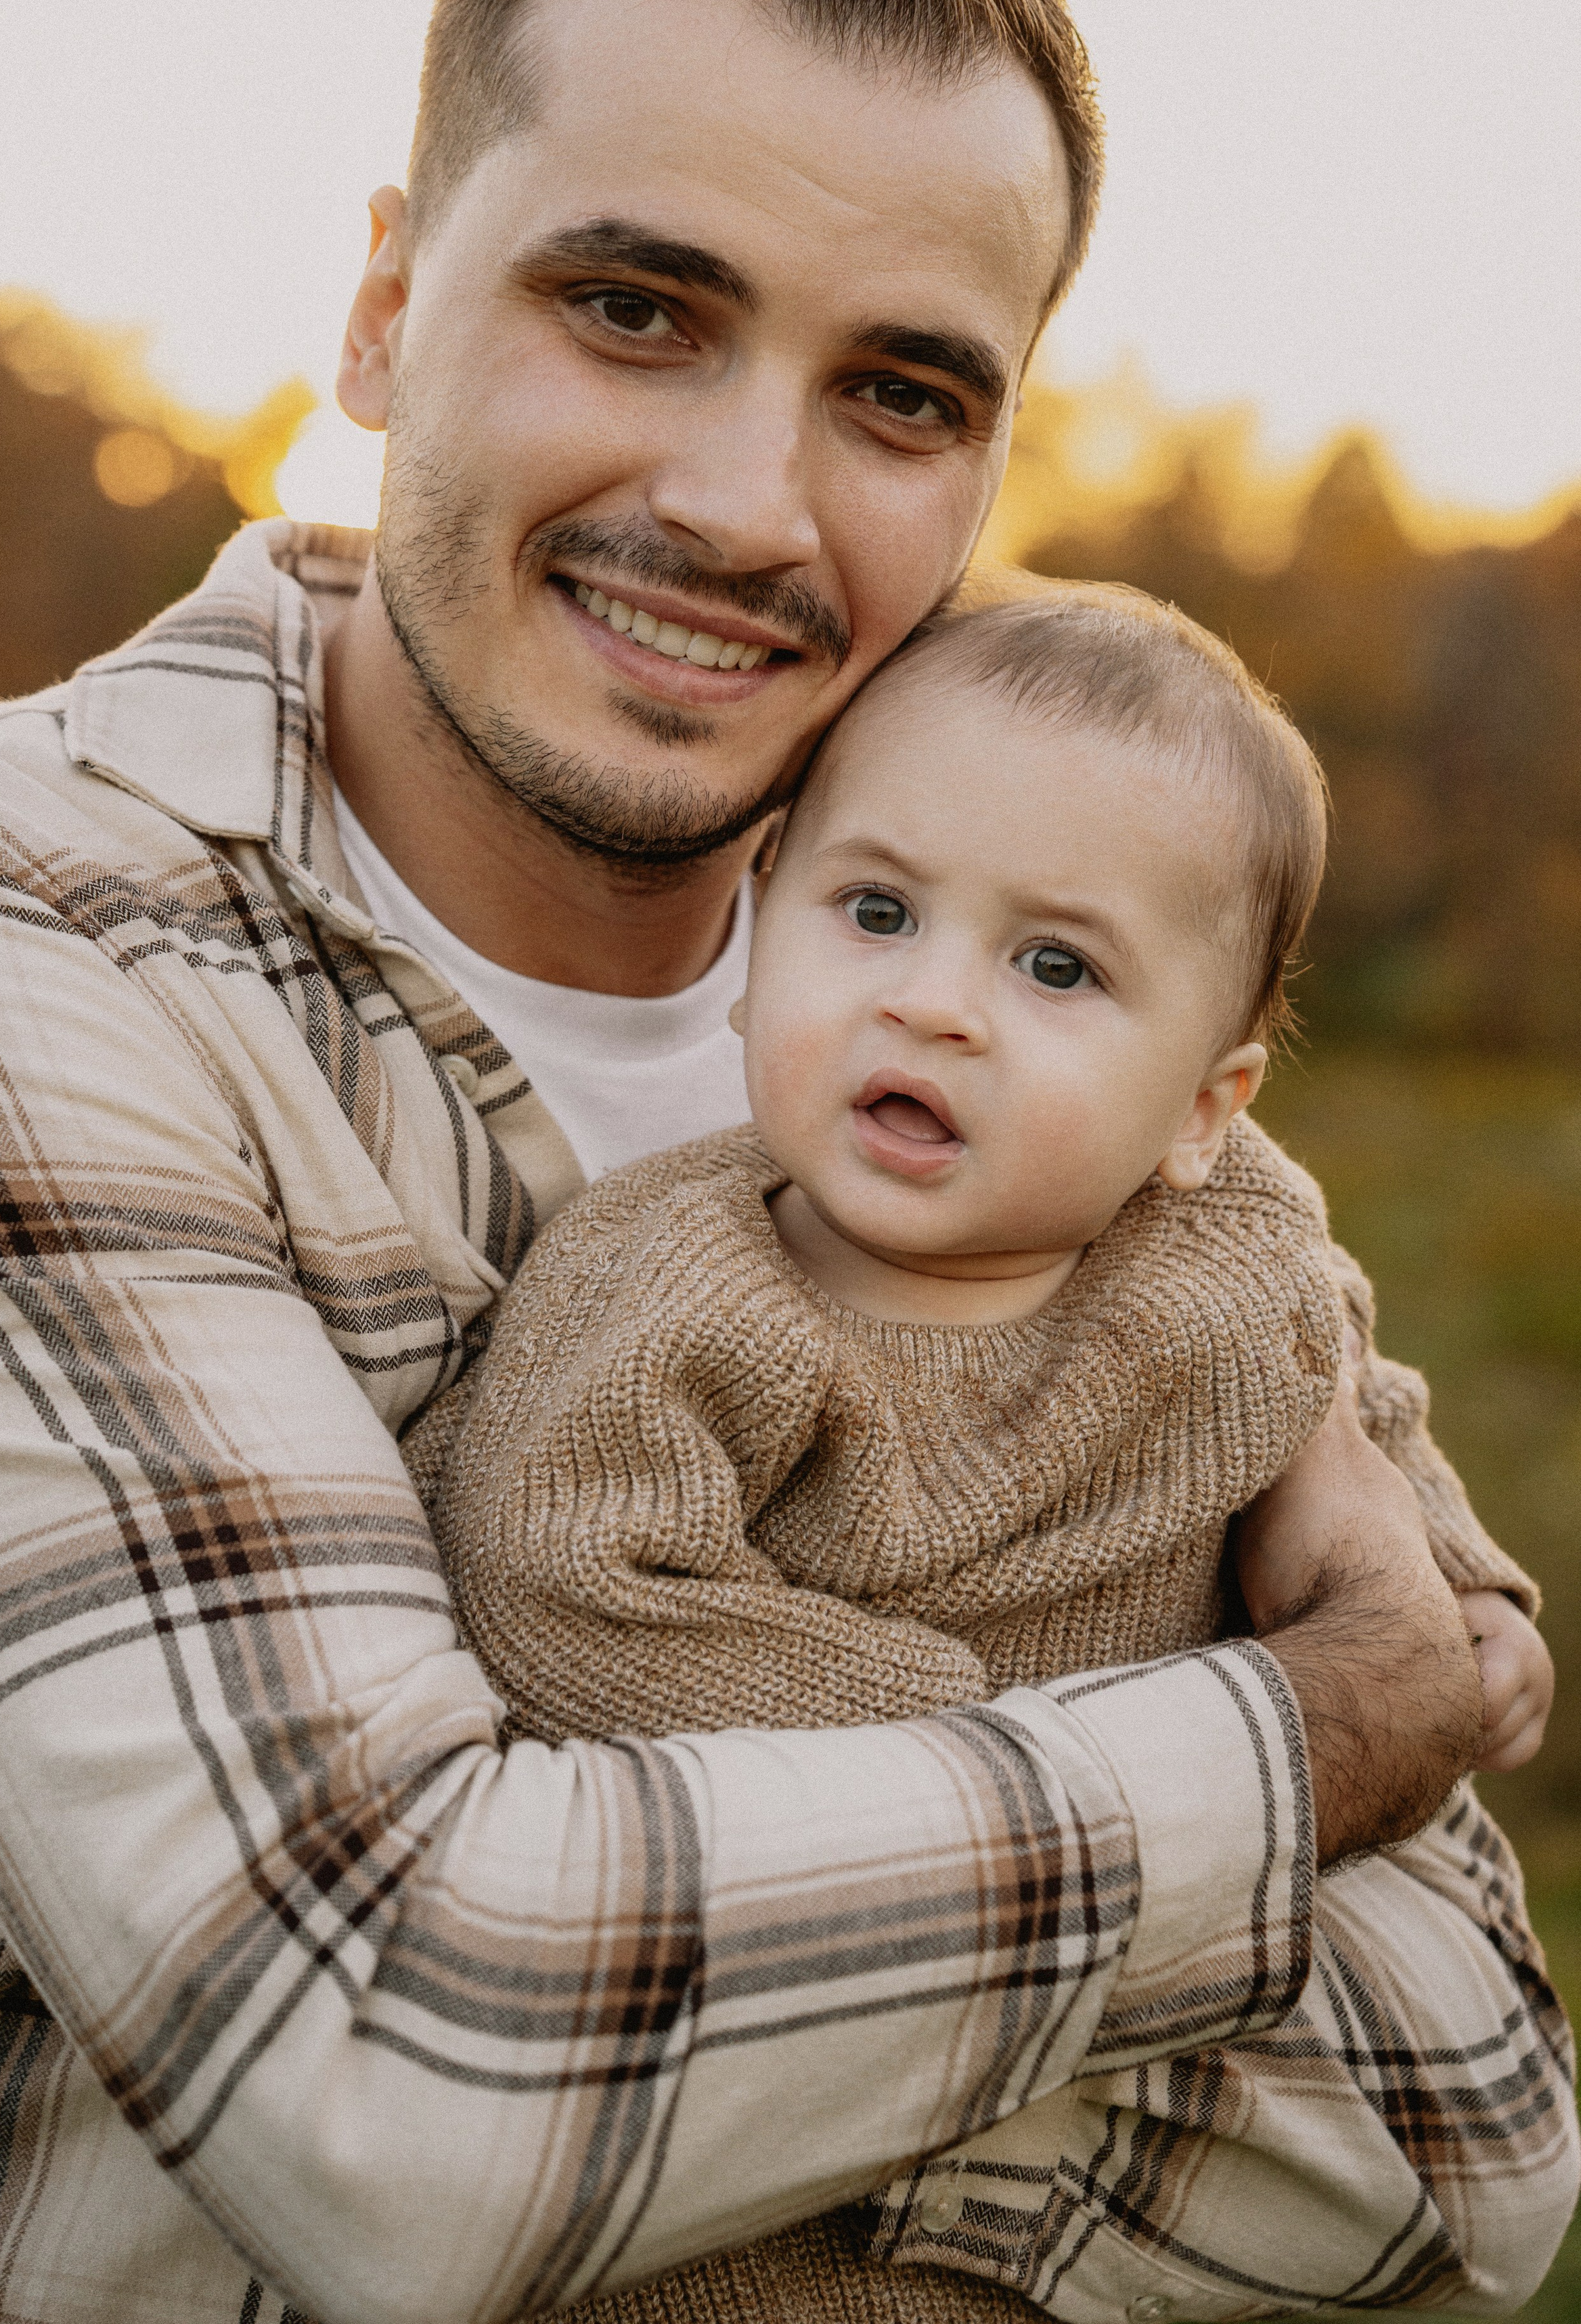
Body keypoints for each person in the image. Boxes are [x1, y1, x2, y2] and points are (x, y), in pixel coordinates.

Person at [0, 0, 1572, 2324]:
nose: (751, 506)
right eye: (637, 308)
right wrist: (1300, 1748)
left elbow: (1470, 2129)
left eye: (900, 393)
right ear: (381, 312)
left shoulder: (1005, 1015)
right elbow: (394, 2078)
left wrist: (721, 2021)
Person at [426, 586, 1553, 2317]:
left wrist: (1456, 1583)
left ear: (1202, 1110)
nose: (934, 1006)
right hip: (804, 2052)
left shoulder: (1226, 1244)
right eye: (875, 912)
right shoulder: (678, 1285)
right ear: (758, 935)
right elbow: (569, 1597)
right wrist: (989, 1741)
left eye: (1055, 967)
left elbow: (1346, 1396)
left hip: (1130, 2071)